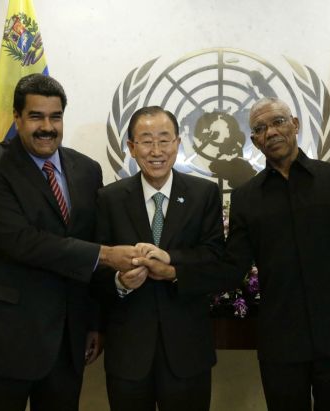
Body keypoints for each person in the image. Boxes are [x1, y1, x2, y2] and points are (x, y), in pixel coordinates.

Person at [137, 97, 330, 411]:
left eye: (278, 122)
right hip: (281, 346)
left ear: (295, 124)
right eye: (261, 128)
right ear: (254, 141)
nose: (271, 132)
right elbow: (231, 268)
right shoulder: (246, 198)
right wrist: (174, 267)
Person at [0, 73, 137, 411]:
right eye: (36, 116)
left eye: (55, 117)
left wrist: (93, 322)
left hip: (67, 341)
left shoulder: (87, 169)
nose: (47, 127)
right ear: (17, 118)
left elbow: (89, 242)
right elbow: (22, 242)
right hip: (4, 339)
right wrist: (107, 255)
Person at [92, 106, 225, 411]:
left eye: (164, 140)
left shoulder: (203, 194)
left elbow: (215, 257)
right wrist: (119, 281)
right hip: (129, 353)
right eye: (146, 141)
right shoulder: (109, 198)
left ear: (178, 143)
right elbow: (95, 266)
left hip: (187, 351)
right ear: (131, 147)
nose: (156, 151)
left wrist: (172, 266)